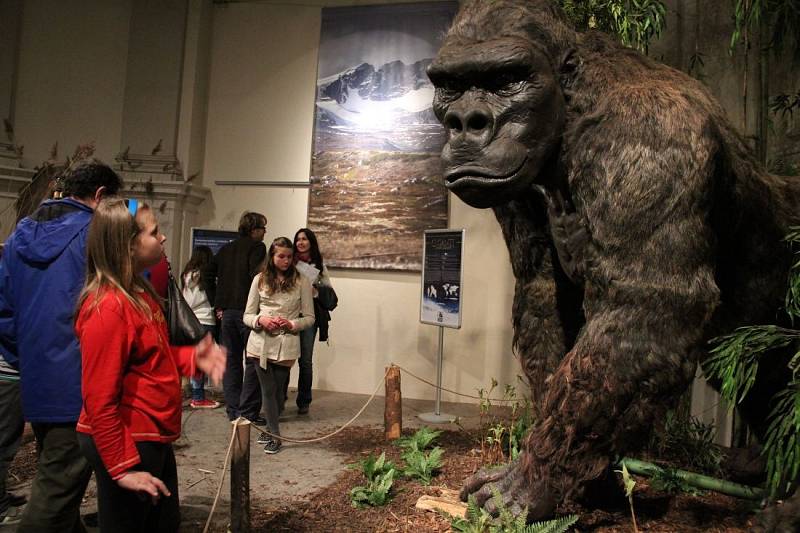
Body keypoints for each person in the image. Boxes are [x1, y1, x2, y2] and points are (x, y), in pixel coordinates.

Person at [75, 197, 225, 533]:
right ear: (128, 246)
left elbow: (153, 358)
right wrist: (123, 468)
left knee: (163, 522)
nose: (163, 238)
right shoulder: (107, 309)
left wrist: (192, 359)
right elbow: (99, 399)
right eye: (154, 232)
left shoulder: (138, 294)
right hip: (129, 439)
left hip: (150, 433)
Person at [0, 159, 122, 532]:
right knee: (56, 491)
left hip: (36, 379)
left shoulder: (20, 234)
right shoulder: (95, 235)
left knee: (61, 483)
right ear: (99, 196)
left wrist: (31, 361)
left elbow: (5, 312)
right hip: (80, 382)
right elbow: (111, 309)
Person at [243, 237, 314, 454]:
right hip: (260, 343)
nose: (285, 260)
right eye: (280, 256)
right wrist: (260, 320)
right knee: (268, 389)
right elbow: (247, 314)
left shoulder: (302, 280)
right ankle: (275, 436)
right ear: (272, 257)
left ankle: (270, 430)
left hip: (287, 343)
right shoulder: (260, 279)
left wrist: (292, 323)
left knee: (278, 394)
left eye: (289, 256)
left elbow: (310, 317)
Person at [202, 212, 267, 422]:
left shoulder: (226, 248)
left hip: (227, 313)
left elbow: (206, 274)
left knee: (231, 362)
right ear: (254, 229)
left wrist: (217, 302)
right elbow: (255, 277)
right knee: (253, 362)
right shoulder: (257, 247)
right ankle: (248, 412)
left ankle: (233, 411)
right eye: (263, 228)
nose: (265, 232)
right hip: (247, 313)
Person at [286, 228, 334, 415]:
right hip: (289, 314)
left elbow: (328, 291)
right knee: (285, 357)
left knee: (305, 361)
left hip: (309, 317)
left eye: (304, 239)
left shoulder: (319, 265)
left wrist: (317, 289)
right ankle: (280, 396)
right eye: (298, 239)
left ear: (311, 242)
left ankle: (304, 401)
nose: (300, 242)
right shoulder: (288, 262)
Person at [181, 246, 220, 409]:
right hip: (206, 320)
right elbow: (213, 298)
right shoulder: (207, 277)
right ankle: (198, 397)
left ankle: (194, 392)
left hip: (190, 321)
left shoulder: (186, 275)